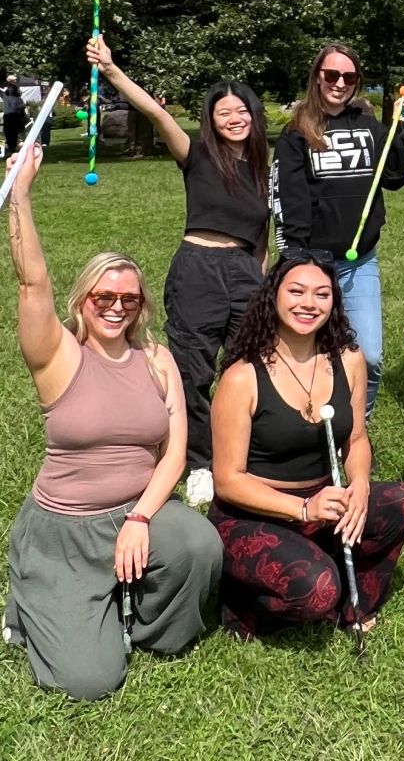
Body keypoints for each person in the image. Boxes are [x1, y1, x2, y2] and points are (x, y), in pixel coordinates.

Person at [2, 147, 222, 699]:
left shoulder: (156, 358)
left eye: (129, 296)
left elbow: (175, 450)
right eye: (104, 295)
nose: (116, 306)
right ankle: (34, 602)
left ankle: (134, 615)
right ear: (84, 299)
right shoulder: (59, 358)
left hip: (135, 515)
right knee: (91, 680)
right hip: (65, 534)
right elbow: (32, 285)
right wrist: (20, 194)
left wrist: (142, 517)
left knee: (199, 546)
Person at [87, 36, 271, 506]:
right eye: (224, 112)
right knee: (192, 371)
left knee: (249, 368)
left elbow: (261, 235)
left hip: (247, 272)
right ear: (211, 119)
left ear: (254, 115)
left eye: (242, 111)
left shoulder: (259, 166)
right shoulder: (196, 155)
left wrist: (262, 279)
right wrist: (110, 69)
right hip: (198, 268)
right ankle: (198, 463)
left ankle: (246, 455)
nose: (234, 118)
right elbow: (157, 113)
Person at [209, 253, 404, 640]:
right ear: (273, 296)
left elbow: (356, 438)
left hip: (324, 501)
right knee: (316, 589)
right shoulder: (242, 377)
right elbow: (227, 480)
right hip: (254, 512)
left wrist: (358, 486)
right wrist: (303, 508)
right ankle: (242, 605)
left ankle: (352, 604)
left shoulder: (348, 359)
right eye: (297, 291)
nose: (309, 304)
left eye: (322, 294)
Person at [271, 42, 404, 424]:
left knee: (369, 356)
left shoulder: (368, 125)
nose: (339, 83)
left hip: (360, 261)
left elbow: (396, 178)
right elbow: (290, 198)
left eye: (348, 77)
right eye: (331, 75)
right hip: (314, 263)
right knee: (311, 352)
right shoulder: (296, 133)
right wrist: (298, 261)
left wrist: (398, 130)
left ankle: (354, 429)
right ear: (317, 77)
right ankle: (307, 427)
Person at [3, 74, 27, 157]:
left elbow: (20, 104)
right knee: (11, 133)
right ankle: (12, 148)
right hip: (11, 115)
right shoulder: (6, 92)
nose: (15, 82)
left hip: (15, 115)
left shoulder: (17, 92)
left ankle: (14, 148)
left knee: (14, 133)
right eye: (14, 80)